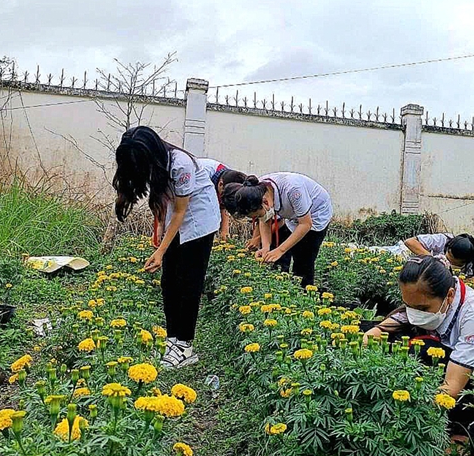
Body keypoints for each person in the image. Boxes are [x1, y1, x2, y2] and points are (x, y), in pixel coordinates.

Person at [363, 256, 474, 429]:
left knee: (424, 350)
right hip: (458, 371)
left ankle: (460, 430)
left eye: (422, 308)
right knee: (397, 336)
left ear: (450, 295)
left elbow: (452, 387)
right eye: (408, 305)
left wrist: (402, 414)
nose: (414, 313)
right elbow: (380, 331)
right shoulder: (436, 297)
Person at [112, 126, 220, 368]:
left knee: (189, 283)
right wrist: (160, 229)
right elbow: (162, 200)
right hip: (177, 218)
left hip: (200, 220)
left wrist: (160, 251)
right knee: (169, 281)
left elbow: (181, 211)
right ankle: (172, 339)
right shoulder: (154, 162)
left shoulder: (180, 164)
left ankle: (185, 346)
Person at [222, 172, 333, 287]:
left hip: (316, 212)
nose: (260, 217)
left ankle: (306, 291)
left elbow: (305, 224)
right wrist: (266, 247)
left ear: (265, 202)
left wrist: (280, 250)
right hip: (295, 214)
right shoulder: (257, 190)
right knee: (296, 250)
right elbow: (265, 219)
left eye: (258, 214)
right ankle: (295, 287)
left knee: (304, 258)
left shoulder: (293, 190)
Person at [378, 233, 474, 285]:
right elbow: (409, 242)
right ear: (448, 247)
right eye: (448, 258)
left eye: (454, 263)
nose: (448, 262)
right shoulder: (443, 239)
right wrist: (434, 261)